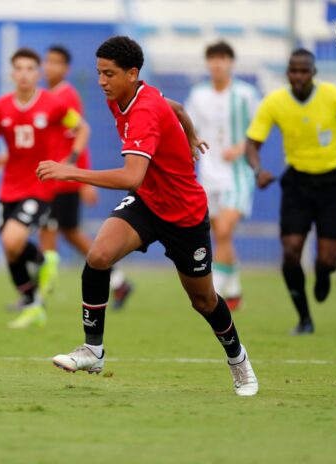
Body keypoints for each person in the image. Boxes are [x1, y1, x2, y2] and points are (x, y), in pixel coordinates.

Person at [37, 36, 258, 396]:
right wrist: (189, 134)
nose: (101, 81)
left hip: (184, 214)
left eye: (108, 74)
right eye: (98, 73)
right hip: (147, 203)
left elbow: (130, 176)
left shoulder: (142, 110)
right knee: (98, 256)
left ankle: (239, 360)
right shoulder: (125, 96)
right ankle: (93, 350)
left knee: (203, 300)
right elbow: (177, 107)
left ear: (132, 73)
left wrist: (70, 172)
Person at [245, 49, 336, 335]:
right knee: (291, 251)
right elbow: (252, 143)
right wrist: (258, 171)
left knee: (327, 259)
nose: (298, 76)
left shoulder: (334, 97)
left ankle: (325, 270)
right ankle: (304, 319)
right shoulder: (274, 102)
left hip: (333, 182)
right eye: (293, 70)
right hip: (297, 182)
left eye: (303, 71)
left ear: (313, 73)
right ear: (286, 73)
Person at [0, 48, 90, 329]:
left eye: (30, 68)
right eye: (19, 68)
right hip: (8, 187)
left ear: (38, 73)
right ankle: (33, 300)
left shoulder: (53, 105)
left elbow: (82, 128)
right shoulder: (0, 107)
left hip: (39, 186)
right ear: (12, 73)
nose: (24, 74)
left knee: (12, 241)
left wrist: (70, 159)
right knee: (10, 249)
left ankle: (43, 265)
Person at [39, 44, 133, 309]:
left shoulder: (64, 97)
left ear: (66, 69)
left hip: (61, 179)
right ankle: (118, 280)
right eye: (47, 61)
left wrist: (80, 179)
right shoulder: (50, 95)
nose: (49, 67)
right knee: (68, 232)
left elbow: (81, 135)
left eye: (56, 62)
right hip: (56, 177)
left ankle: (41, 294)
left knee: (49, 231)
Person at [185, 41, 260, 311]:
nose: (217, 64)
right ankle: (235, 287)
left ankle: (215, 286)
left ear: (231, 63)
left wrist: (241, 147)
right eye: (213, 59)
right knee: (219, 234)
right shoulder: (198, 94)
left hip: (237, 174)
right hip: (208, 174)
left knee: (225, 230)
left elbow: (259, 128)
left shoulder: (246, 94)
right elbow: (188, 127)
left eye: (223, 58)